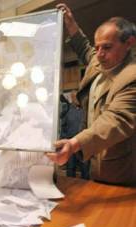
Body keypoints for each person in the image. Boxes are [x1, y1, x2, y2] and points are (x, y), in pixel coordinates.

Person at [47, 3, 136, 185]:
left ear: (129, 43)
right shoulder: (99, 60)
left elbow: (115, 119)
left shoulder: (132, 76)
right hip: (89, 156)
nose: (100, 54)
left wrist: (74, 143)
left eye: (107, 47)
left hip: (115, 167)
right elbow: (84, 48)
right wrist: (71, 24)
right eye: (98, 48)